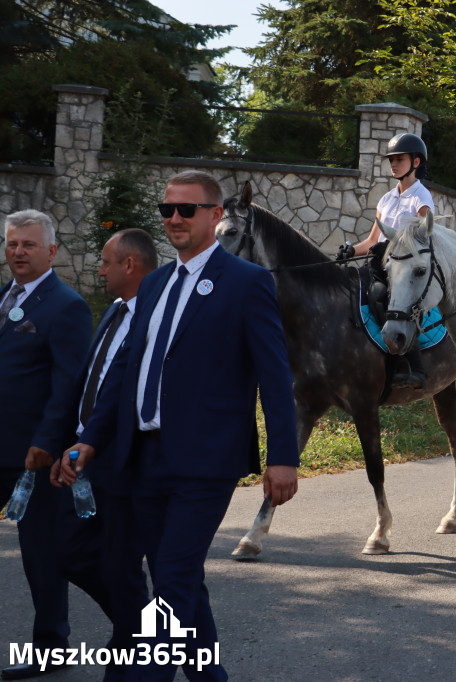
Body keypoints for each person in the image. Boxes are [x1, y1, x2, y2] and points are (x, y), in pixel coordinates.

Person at [61, 170, 301, 681]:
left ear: (215, 216)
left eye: (186, 210)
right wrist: (90, 439)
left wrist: (285, 456)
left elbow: (274, 376)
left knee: (171, 579)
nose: (174, 218)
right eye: (167, 209)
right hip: (142, 457)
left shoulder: (247, 283)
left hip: (206, 460)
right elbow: (126, 371)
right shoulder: (153, 286)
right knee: (181, 576)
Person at [48, 229, 158, 681]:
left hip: (125, 462)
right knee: (69, 554)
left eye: (106, 262)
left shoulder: (154, 317)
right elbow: (88, 383)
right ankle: (148, 632)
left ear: (129, 265)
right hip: (88, 456)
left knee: (119, 568)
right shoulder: (114, 311)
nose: (99, 268)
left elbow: (126, 397)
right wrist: (67, 443)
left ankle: (135, 651)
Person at [0, 209, 92, 680]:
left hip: (32, 456)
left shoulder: (66, 306)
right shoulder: (3, 298)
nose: (18, 252)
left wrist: (46, 443)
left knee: (40, 554)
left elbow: (69, 386)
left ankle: (51, 647)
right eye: (13, 244)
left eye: (28, 245)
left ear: (51, 251)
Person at [345, 132, 434, 388]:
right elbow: (373, 240)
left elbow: (424, 238)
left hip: (403, 270)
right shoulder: (386, 199)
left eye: (400, 159)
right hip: (378, 263)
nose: (393, 164)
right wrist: (351, 250)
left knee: (381, 296)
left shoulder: (421, 198)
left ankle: (414, 368)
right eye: (391, 159)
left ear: (416, 162)